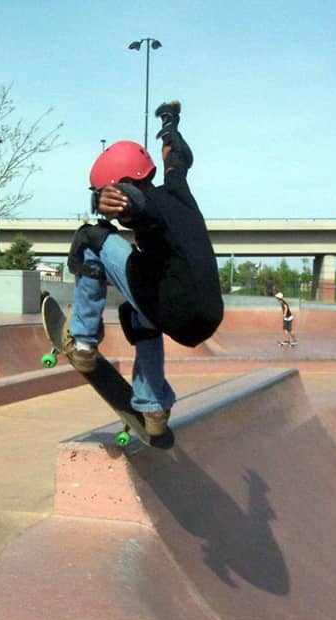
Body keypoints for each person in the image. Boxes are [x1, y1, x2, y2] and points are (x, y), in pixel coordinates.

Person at [65, 100, 223, 438]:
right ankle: (153, 408)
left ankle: (83, 342)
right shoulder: (177, 188)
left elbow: (136, 203)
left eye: (103, 191)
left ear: (121, 184)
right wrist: (171, 124)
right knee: (139, 313)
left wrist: (115, 201)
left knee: (91, 237)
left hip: (176, 307)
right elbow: (178, 156)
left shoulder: (142, 202)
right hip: (206, 315)